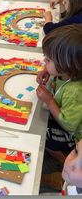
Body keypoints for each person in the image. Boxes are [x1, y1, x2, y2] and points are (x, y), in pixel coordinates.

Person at [36, 25, 82, 164]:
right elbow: (54, 69)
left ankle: (65, 160)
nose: (44, 61)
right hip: (65, 115)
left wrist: (50, 101)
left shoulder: (75, 92)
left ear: (66, 65)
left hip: (74, 136)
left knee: (43, 132)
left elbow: (69, 125)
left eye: (48, 60)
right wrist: (47, 70)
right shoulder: (68, 71)